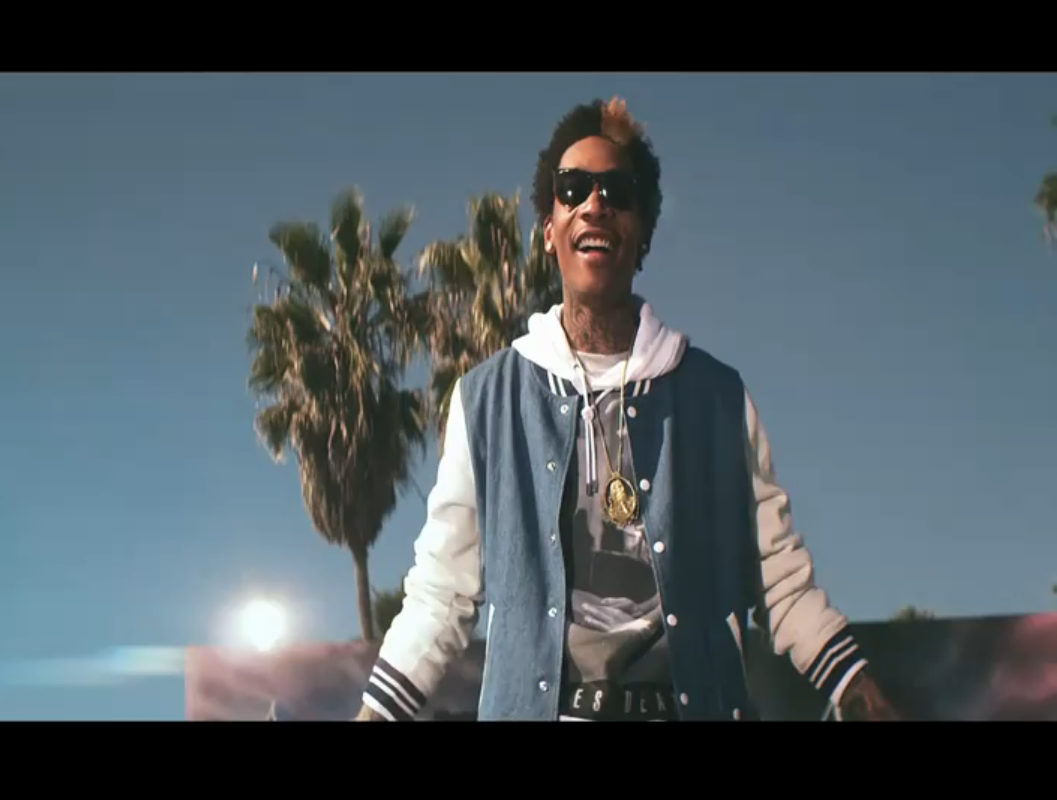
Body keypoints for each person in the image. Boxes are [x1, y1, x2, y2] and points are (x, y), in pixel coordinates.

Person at [356, 96, 899, 722]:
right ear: (550, 228)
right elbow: (442, 593)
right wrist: (375, 713)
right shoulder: (486, 401)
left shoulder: (717, 398)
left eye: (616, 190)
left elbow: (778, 576)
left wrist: (857, 688)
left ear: (641, 232)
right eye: (573, 188)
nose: (595, 204)